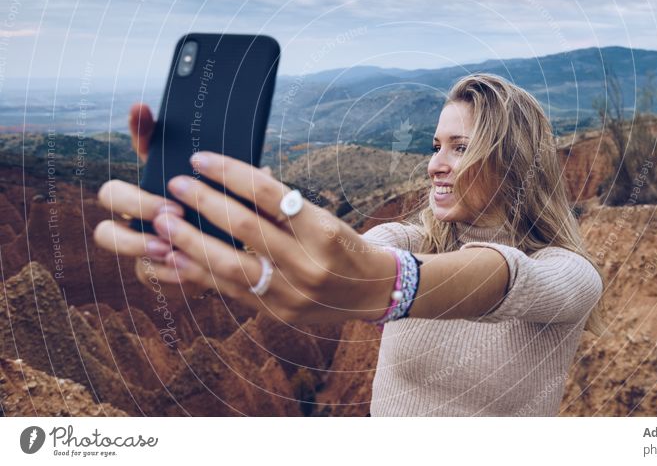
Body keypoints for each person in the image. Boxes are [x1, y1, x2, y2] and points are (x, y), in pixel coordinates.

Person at [93, 72, 608, 416]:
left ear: (513, 161)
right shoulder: (405, 239)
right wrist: (212, 234)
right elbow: (341, 262)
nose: (435, 164)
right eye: (435, 147)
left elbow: (505, 276)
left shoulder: (569, 274)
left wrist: (389, 284)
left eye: (461, 147)